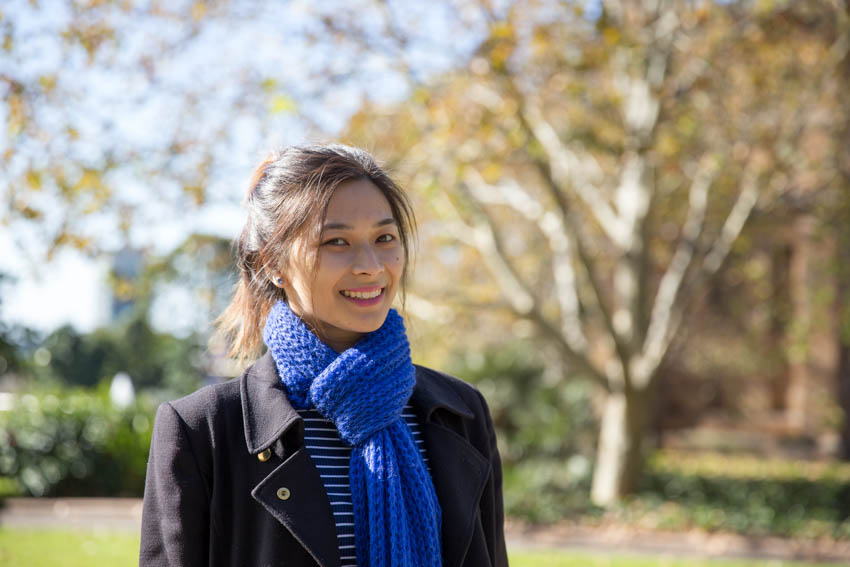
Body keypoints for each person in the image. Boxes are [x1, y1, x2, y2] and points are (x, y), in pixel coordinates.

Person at [139, 144, 508, 567]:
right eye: (336, 242)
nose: (370, 265)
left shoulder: (460, 413)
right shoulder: (203, 429)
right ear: (272, 262)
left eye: (384, 238)